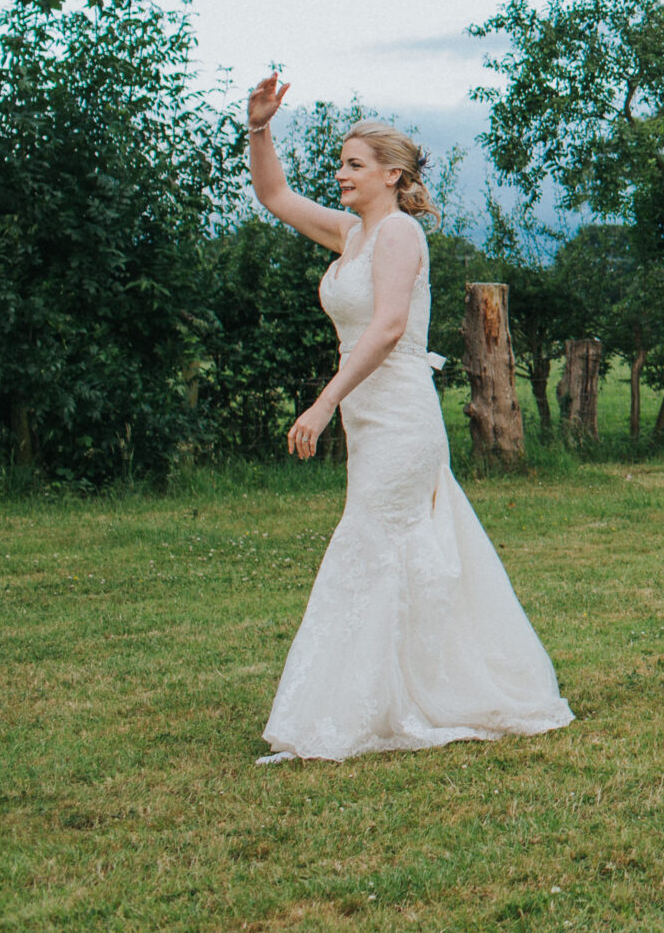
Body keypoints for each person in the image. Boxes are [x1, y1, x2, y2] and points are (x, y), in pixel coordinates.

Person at [245, 75, 573, 763]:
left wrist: (325, 398)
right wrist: (259, 128)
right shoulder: (350, 233)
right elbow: (274, 195)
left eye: (353, 164)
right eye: (340, 163)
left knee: (365, 545)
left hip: (399, 421)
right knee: (388, 551)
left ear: (391, 175)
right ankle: (397, 691)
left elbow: (390, 325)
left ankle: (352, 710)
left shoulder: (397, 235)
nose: (340, 173)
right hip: (371, 425)